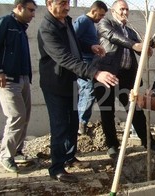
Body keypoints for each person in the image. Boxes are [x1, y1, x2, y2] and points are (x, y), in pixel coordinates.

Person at [38, 0, 119, 183]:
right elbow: (64, 57)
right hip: (55, 84)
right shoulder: (46, 29)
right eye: (62, 3)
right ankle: (57, 168)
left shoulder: (65, 21)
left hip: (70, 81)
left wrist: (89, 47)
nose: (67, 7)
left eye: (68, 2)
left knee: (73, 122)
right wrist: (95, 72)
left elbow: (74, 42)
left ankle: (69, 156)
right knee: (60, 126)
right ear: (49, 3)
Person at [94, 0, 155, 159]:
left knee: (135, 109)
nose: (125, 12)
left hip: (126, 77)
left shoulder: (130, 31)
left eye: (127, 10)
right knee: (107, 111)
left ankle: (149, 142)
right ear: (113, 11)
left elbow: (140, 48)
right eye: (121, 9)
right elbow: (114, 37)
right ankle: (112, 145)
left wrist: (151, 44)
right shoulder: (105, 23)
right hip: (106, 75)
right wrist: (134, 45)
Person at [0, 0, 37, 173]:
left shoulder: (20, 27)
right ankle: (6, 155)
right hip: (8, 80)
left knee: (25, 116)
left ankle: (17, 151)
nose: (33, 14)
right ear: (19, 7)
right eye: (30, 10)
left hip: (22, 79)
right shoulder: (5, 22)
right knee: (16, 116)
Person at [73, 1, 108, 135]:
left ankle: (81, 123)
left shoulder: (90, 24)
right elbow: (73, 40)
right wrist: (89, 48)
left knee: (89, 91)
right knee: (88, 91)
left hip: (91, 63)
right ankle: (81, 123)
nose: (101, 18)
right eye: (100, 15)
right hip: (84, 64)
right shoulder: (83, 21)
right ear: (94, 11)